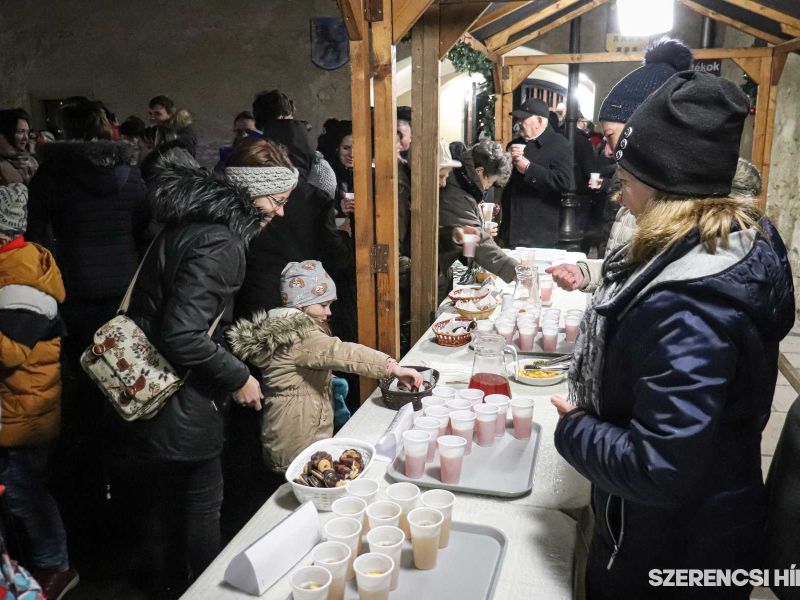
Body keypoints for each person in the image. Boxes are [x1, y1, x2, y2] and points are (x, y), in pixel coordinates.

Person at [551, 71, 795, 599]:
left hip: (673, 552)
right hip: (704, 521)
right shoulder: (722, 244)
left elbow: (659, 466)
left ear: (665, 188)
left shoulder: (690, 301)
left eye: (628, 179)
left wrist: (574, 429)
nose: (621, 193)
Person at [107, 137, 296, 596]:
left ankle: (169, 584)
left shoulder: (190, 221)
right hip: (182, 401)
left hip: (149, 391)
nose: (281, 212)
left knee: (163, 511)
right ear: (253, 194)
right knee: (199, 510)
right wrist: (239, 376)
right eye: (277, 200)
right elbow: (182, 334)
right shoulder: (221, 242)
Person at [25, 99, 149, 558]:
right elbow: (142, 229)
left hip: (76, 292)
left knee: (83, 400)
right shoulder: (130, 174)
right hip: (123, 294)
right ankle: (134, 506)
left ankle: (91, 510)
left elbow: (38, 236)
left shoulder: (52, 175)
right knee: (126, 390)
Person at [229, 260, 423, 473]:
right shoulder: (301, 336)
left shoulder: (282, 330)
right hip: (299, 436)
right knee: (303, 487)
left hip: (284, 429)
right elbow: (344, 353)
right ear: (301, 304)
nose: (329, 312)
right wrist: (392, 368)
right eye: (323, 305)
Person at [548, 38, 695, 290]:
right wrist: (586, 273)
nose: (606, 151)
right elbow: (628, 268)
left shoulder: (679, 212)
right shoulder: (642, 189)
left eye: (610, 137)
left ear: (643, 131)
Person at [0, 183, 79, 599]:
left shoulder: (22, 279)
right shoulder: (11, 265)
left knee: (24, 492)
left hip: (24, 408)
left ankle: (55, 568)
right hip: (17, 404)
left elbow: (10, 353)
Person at [438, 140, 518, 301]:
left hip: (445, 269)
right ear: (479, 171)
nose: (487, 187)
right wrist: (516, 271)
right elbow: (476, 242)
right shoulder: (457, 192)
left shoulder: (464, 185)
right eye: (489, 182)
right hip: (436, 271)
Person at [500, 97, 573, 248]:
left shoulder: (559, 145)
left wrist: (528, 168)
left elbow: (564, 182)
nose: (518, 122)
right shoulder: (514, 144)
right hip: (509, 228)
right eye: (517, 118)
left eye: (523, 119)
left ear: (539, 121)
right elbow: (504, 180)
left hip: (537, 232)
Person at [0, 108, 38, 185]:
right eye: (20, 132)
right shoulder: (2, 164)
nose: (26, 138)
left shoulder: (31, 161)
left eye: (27, 132)